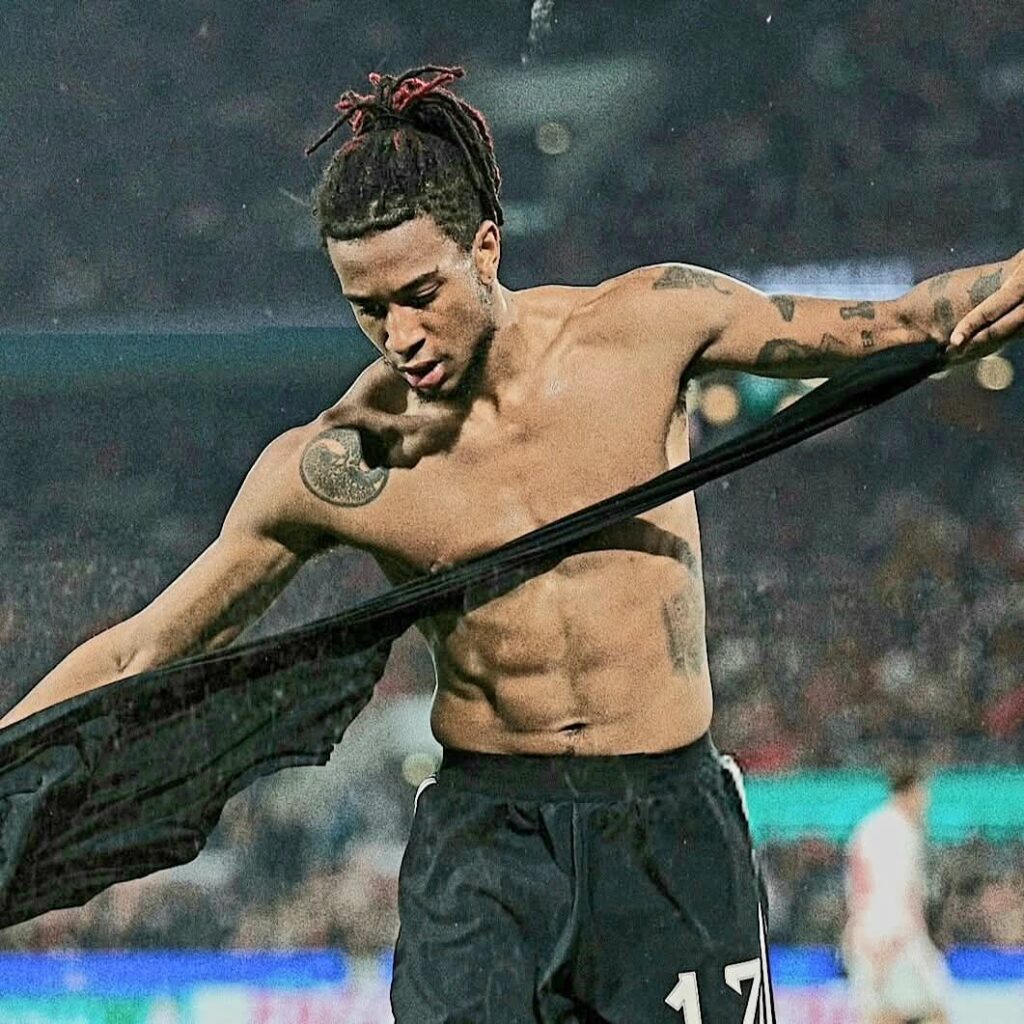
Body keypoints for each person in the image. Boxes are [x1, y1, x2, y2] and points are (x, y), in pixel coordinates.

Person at [1, 64, 1020, 1022]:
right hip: (487, 847)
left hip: (668, 828)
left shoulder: (646, 328)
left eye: (420, 294)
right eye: (367, 309)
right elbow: (142, 650)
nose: (400, 335)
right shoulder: (340, 463)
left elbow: (888, 326)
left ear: (485, 248)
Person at [843, 768, 952, 1024]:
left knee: (885, 1014)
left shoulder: (868, 826)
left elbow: (856, 889)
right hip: (893, 937)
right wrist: (889, 944)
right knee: (934, 1010)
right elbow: (895, 890)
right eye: (924, 794)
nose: (926, 803)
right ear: (911, 792)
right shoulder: (900, 832)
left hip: (865, 933)